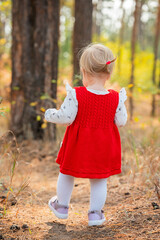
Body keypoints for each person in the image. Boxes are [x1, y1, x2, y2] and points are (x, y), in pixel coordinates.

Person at [44, 43, 127, 226]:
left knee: (66, 173)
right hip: (104, 147)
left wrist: (50, 114)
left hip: (78, 144)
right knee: (99, 180)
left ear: (83, 71)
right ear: (109, 73)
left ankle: (62, 206)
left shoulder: (76, 94)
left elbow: (66, 118)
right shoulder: (116, 97)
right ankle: (95, 214)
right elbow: (121, 122)